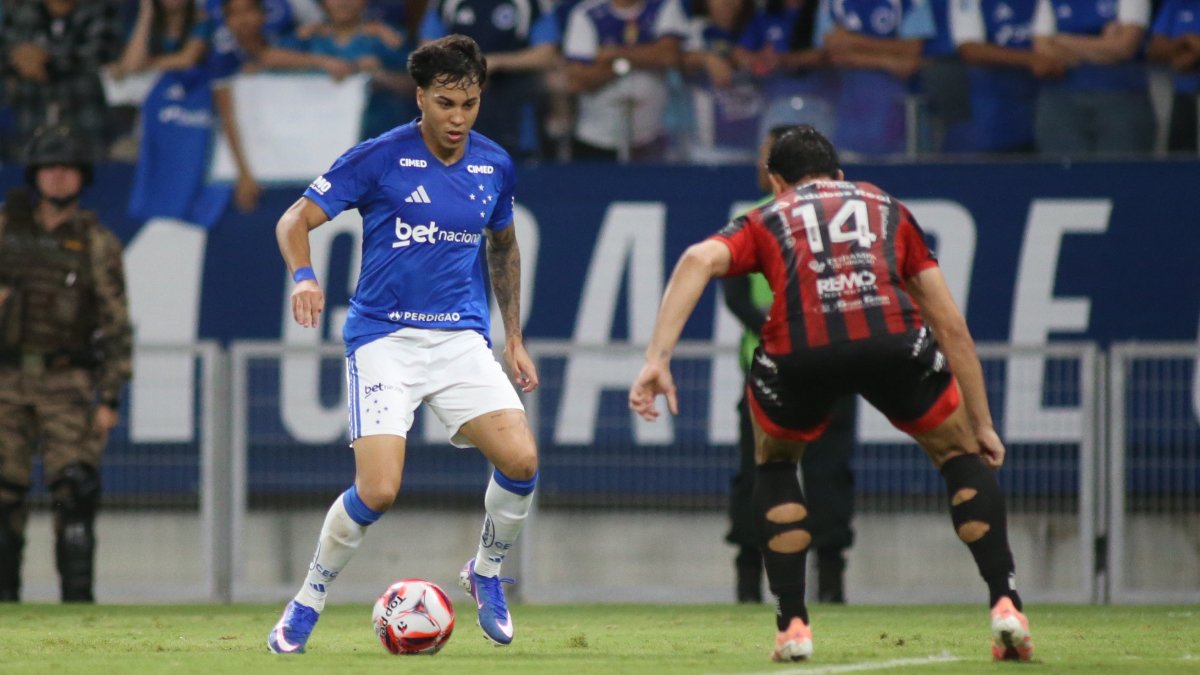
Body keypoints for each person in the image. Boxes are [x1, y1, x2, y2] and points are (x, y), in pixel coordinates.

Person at [629, 125, 1033, 662]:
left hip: (801, 351)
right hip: (893, 340)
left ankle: (793, 624)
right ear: (839, 175)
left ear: (776, 181)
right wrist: (981, 423)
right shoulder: (885, 206)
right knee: (958, 455)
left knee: (774, 465)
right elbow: (951, 325)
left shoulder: (767, 215)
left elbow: (698, 261)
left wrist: (657, 359)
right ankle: (1005, 602)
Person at [267, 34, 540, 654]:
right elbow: (294, 220)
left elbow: (503, 246)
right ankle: (309, 597)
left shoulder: (493, 165)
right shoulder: (379, 156)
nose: (458, 118)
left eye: (469, 104)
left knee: (522, 462)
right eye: (446, 103)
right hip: (385, 339)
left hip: (461, 341)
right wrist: (305, 276)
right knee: (379, 491)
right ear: (420, 98)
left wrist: (514, 338)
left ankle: (486, 573)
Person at [0, 123, 133, 603]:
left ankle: (77, 609)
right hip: (5, 379)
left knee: (75, 493)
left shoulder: (97, 242)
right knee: (3, 495)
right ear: (35, 175)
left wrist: (110, 398)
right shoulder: (4, 229)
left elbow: (117, 326)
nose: (58, 178)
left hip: (68, 383)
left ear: (82, 177)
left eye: (68, 169)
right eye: (49, 169)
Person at [722, 124, 854, 605]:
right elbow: (735, 294)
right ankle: (748, 584)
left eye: (768, 161)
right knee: (756, 473)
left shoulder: (837, 222)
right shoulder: (750, 219)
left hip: (823, 365)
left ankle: (832, 583)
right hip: (772, 365)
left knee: (827, 473)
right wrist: (784, 331)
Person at [419, 0, 561, 159]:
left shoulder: (533, 4)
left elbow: (546, 54)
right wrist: (465, 69)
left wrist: (498, 62)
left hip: (514, 103)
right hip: (457, 101)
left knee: (515, 165)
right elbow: (427, 49)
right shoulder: (444, 3)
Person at [562, 0, 689, 161]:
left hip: (651, 138)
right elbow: (577, 81)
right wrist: (628, 64)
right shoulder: (587, 13)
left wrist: (611, 54)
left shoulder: (663, 5)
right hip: (597, 138)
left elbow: (668, 56)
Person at [0, 0, 124, 159]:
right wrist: (21, 60)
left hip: (86, 118)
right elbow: (5, 55)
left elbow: (101, 55)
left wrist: (45, 60)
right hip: (31, 117)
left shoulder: (101, 10)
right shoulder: (20, 13)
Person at [1031, 0, 1155, 155]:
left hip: (1121, 98)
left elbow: (1125, 47)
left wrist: (1061, 40)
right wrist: (1104, 45)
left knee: (1119, 173)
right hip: (1061, 99)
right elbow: (1042, 50)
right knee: (1063, 173)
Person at [1146, 0, 1200, 153]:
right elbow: (1154, 50)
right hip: (1180, 97)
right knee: (1178, 160)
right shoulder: (1177, 4)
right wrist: (1185, 42)